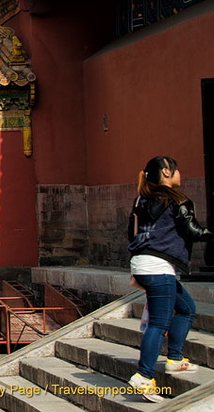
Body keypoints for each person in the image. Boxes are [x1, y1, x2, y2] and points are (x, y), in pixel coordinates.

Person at [127, 156, 213, 402]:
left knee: (186, 308)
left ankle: (175, 359)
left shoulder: (141, 199)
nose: (179, 174)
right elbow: (192, 230)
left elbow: (130, 233)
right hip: (159, 266)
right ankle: (144, 376)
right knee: (158, 323)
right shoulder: (177, 199)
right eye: (177, 170)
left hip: (144, 264)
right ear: (167, 172)